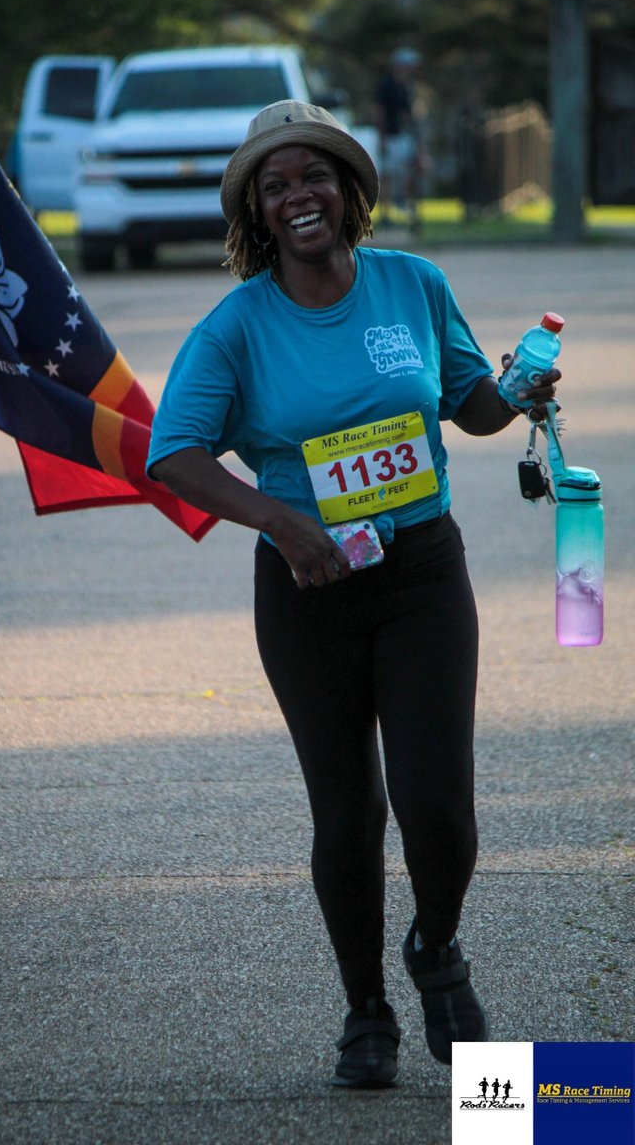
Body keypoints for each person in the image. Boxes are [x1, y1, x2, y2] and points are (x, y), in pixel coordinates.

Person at [146, 100, 561, 1088]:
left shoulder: (412, 285)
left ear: (348, 190)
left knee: (438, 808)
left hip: (420, 572)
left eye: (313, 176)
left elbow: (468, 405)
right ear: (256, 208)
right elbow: (173, 454)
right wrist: (285, 524)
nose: (298, 197)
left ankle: (434, 949)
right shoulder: (236, 327)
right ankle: (363, 1008)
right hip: (308, 588)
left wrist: (518, 390)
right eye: (275, 184)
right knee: (346, 813)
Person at [373, 47, 425, 224]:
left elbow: (408, 114)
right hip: (389, 136)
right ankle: (385, 213)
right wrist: (382, 138)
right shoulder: (386, 85)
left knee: (413, 167)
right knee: (387, 174)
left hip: (403, 135)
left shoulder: (406, 87)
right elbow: (379, 112)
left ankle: (408, 206)